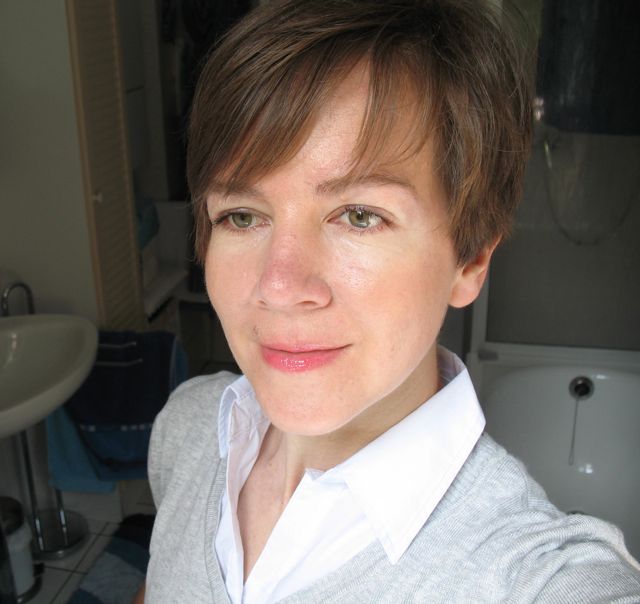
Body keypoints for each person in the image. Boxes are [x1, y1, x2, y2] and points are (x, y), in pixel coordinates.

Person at [139, 0, 640, 602]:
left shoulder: (528, 577)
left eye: (359, 215)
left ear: (470, 260)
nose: (279, 285)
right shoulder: (189, 428)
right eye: (242, 216)